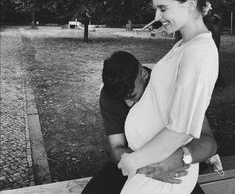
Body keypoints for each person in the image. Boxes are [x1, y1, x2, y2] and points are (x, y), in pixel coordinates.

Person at [116, 0, 219, 194]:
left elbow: (181, 130)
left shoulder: (199, 53)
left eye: (163, 8)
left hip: (162, 169)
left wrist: (133, 160)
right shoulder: (185, 46)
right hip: (154, 165)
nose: (157, 15)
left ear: (190, 5)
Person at [82, 51, 217, 194]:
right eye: (121, 99)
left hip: (175, 163)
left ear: (143, 74)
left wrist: (176, 160)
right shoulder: (109, 94)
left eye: (132, 96)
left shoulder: (170, 85)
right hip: (131, 161)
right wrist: (152, 169)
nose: (128, 104)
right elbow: (117, 148)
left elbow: (209, 143)